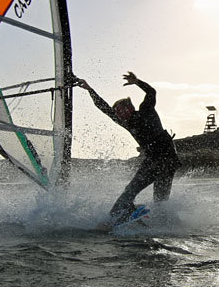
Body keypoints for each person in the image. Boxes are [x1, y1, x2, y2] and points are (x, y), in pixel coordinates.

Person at [75, 72, 181, 224]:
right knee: (129, 191)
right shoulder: (126, 123)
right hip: (152, 160)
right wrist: (89, 89)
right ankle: (122, 215)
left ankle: (161, 221)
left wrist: (137, 82)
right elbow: (104, 108)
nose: (118, 113)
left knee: (160, 199)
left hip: (167, 158)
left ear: (129, 107)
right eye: (117, 111)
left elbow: (152, 92)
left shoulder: (146, 110)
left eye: (120, 109)